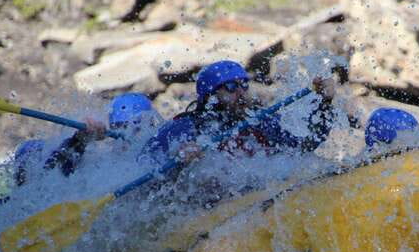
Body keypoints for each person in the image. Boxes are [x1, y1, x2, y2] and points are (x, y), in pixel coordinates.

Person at [143, 60, 337, 164]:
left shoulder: (261, 122)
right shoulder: (184, 127)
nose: (240, 92)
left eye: (244, 84)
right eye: (229, 86)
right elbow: (145, 163)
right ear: (210, 96)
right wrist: (177, 161)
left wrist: (325, 103)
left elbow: (304, 147)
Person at [44, 93, 156, 176]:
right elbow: (53, 170)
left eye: (137, 129)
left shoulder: (159, 154)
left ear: (151, 128)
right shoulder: (103, 165)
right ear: (112, 129)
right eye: (121, 127)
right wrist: (80, 140)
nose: (127, 136)